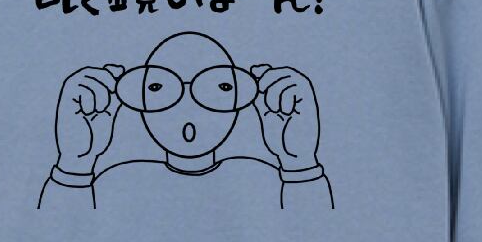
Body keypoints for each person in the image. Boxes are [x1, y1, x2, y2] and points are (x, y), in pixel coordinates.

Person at [38, 31, 334, 208]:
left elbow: (317, 238)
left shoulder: (265, 178)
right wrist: (75, 164)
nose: (188, 109)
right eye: (158, 88)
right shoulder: (115, 180)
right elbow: (55, 240)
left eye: (221, 87)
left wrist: (299, 163)